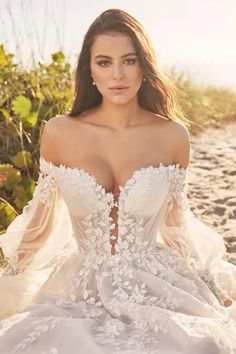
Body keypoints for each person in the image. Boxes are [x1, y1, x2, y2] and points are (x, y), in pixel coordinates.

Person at [0, 8, 236, 354]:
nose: (117, 75)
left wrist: (210, 282)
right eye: (104, 62)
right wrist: (11, 275)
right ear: (89, 70)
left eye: (128, 60)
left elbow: (176, 225)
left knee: (197, 343)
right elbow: (41, 223)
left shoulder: (172, 136)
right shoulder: (60, 132)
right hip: (81, 283)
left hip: (155, 280)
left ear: (144, 65)